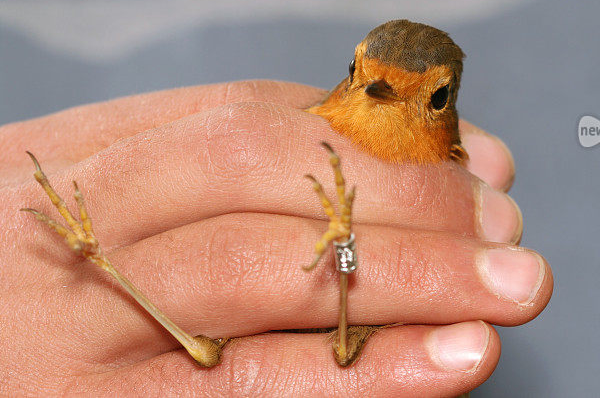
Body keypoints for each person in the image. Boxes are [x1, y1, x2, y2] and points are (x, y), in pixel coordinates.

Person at [0, 80, 552, 396]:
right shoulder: (322, 125)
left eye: (431, 100)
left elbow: (346, 347)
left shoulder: (445, 168)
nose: (377, 95)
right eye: (362, 75)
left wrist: (342, 244)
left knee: (344, 339)